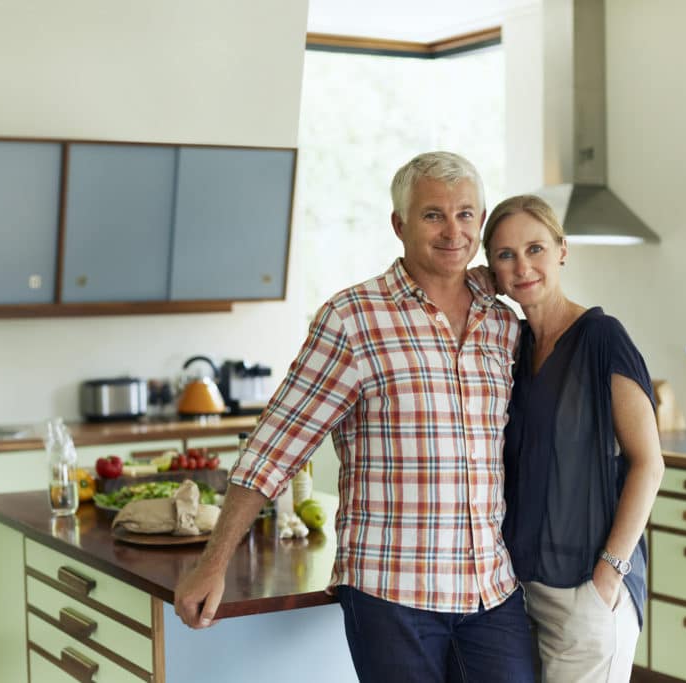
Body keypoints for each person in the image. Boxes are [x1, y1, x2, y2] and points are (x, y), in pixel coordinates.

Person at [174, 152, 535, 683]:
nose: (452, 230)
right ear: (399, 225)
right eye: (433, 214)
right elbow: (275, 445)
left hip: (490, 588)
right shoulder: (352, 318)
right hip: (393, 594)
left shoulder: (502, 322)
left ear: (480, 222)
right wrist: (213, 562)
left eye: (465, 214)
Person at [480, 194, 664, 683]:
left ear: (563, 249)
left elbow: (649, 463)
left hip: (588, 589)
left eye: (535, 248)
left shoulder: (602, 339)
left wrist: (608, 576)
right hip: (518, 591)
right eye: (505, 255)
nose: (523, 266)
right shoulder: (510, 345)